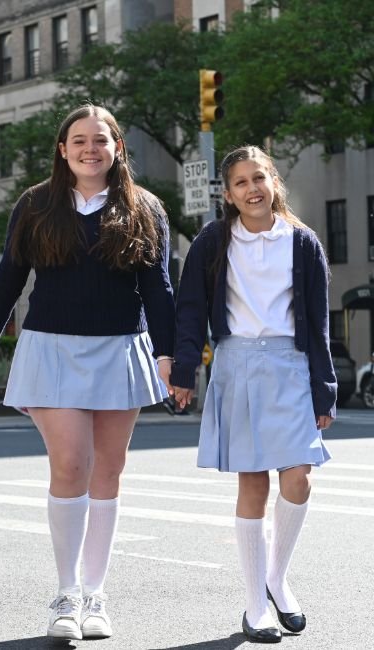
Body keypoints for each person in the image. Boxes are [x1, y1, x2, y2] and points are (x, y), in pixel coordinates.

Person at [0, 104, 175, 641]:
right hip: (50, 348)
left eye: (100, 140)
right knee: (71, 463)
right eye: (78, 140)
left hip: (121, 349)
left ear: (117, 148)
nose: (89, 149)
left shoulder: (146, 207)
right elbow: (8, 277)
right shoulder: (35, 204)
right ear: (63, 149)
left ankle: (95, 594)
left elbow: (158, 289)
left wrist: (170, 354)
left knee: (108, 472)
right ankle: (65, 593)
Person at [170, 145, 334, 644]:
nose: (252, 189)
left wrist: (324, 389)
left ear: (273, 181)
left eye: (258, 178)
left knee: (299, 477)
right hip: (237, 363)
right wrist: (182, 371)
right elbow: (191, 309)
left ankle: (277, 578)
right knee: (253, 484)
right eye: (240, 182)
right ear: (228, 193)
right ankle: (254, 604)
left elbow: (319, 321)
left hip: (291, 365)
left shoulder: (302, 242)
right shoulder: (213, 242)